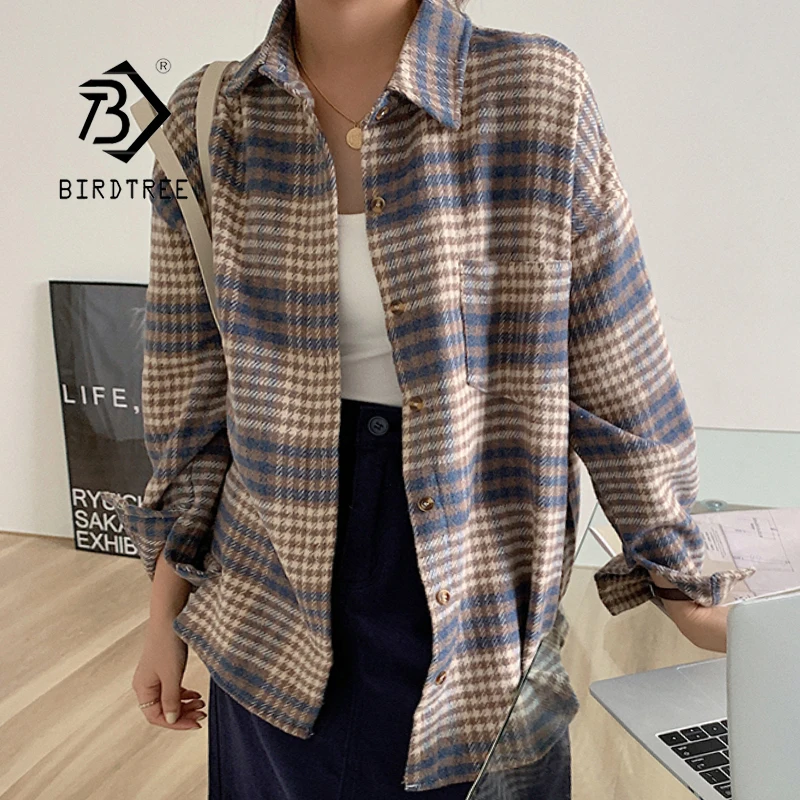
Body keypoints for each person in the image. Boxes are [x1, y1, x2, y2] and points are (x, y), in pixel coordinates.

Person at [102, 0, 754, 796]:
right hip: (268, 608)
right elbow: (191, 407)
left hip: (482, 613)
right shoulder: (209, 121)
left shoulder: (533, 91)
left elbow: (619, 370)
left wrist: (683, 584)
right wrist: (163, 617)